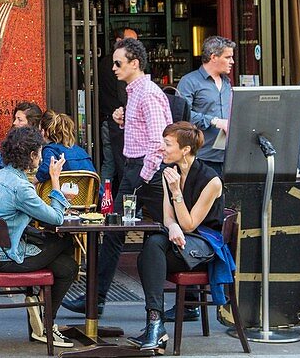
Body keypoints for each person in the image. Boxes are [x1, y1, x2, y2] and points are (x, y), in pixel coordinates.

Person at [64, 37, 170, 316]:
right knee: (116, 233)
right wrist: (125, 121)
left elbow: (160, 142)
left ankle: (99, 300)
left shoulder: (146, 93)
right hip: (138, 170)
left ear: (135, 64)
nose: (112, 68)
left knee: (163, 231)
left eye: (118, 62)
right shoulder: (134, 92)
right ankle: (95, 299)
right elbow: (147, 132)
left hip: (147, 172)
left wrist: (144, 176)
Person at [0, 126, 76, 349]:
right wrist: (55, 180)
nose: (41, 157)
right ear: (31, 155)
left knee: (67, 266)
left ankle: (43, 319)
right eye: (39, 152)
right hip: (6, 258)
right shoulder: (21, 186)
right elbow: (57, 218)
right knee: (65, 241)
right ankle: (46, 323)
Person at [132, 122, 226, 351]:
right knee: (152, 245)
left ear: (185, 149)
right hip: (181, 239)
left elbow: (190, 223)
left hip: (204, 245)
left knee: (149, 254)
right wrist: (172, 227)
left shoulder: (211, 180)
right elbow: (168, 218)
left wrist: (176, 193)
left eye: (167, 144)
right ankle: (156, 323)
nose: (162, 148)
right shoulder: (170, 173)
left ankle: (155, 325)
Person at [177, 36, 236, 174]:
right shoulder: (189, 82)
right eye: (228, 57)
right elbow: (182, 116)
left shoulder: (227, 82)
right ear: (213, 57)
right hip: (202, 156)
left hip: (228, 156)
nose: (232, 61)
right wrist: (214, 121)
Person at [100, 29, 138, 195]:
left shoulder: (104, 62)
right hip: (118, 122)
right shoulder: (120, 65)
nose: (135, 46)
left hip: (107, 120)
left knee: (109, 164)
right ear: (118, 41)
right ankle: (125, 202)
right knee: (124, 165)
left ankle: (102, 200)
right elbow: (124, 95)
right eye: (131, 41)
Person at [36, 111, 95, 182]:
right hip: (87, 192)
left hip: (63, 192)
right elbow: (95, 180)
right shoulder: (82, 152)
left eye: (40, 131)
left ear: (44, 132)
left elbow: (46, 169)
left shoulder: (50, 150)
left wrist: (33, 181)